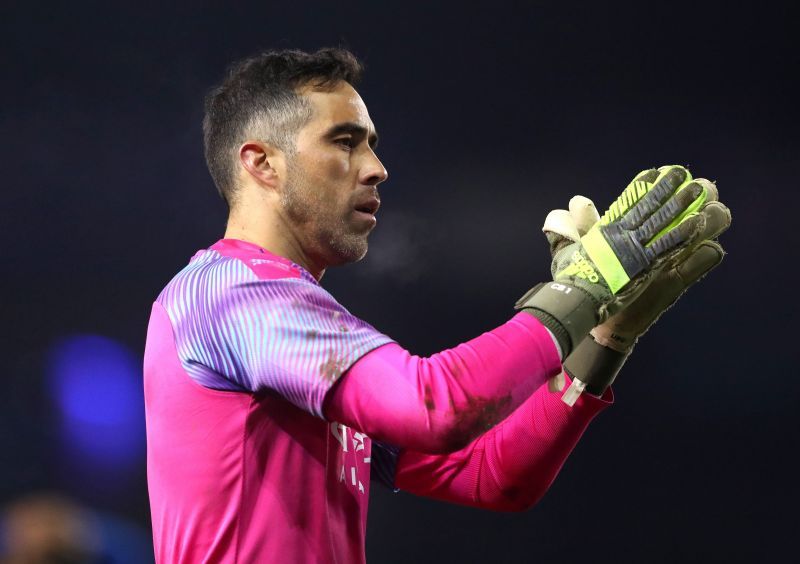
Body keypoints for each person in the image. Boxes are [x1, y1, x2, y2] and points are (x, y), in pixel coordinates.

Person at [143, 48, 730, 563]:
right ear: (261, 163)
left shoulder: (293, 324)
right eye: (344, 142)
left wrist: (604, 336)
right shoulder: (230, 294)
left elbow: (492, 475)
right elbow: (437, 405)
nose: (376, 168)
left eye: (371, 145)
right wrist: (581, 289)